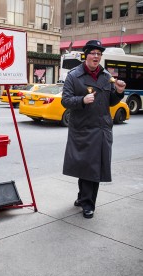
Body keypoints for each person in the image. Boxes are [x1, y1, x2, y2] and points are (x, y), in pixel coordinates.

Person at [61, 40, 126, 219]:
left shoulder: (106, 76)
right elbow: (65, 100)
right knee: (85, 166)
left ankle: (88, 203)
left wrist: (119, 92)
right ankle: (84, 198)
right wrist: (82, 100)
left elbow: (110, 101)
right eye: (93, 53)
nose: (96, 56)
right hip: (82, 129)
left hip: (101, 128)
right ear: (86, 55)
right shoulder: (74, 76)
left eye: (99, 54)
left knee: (94, 168)